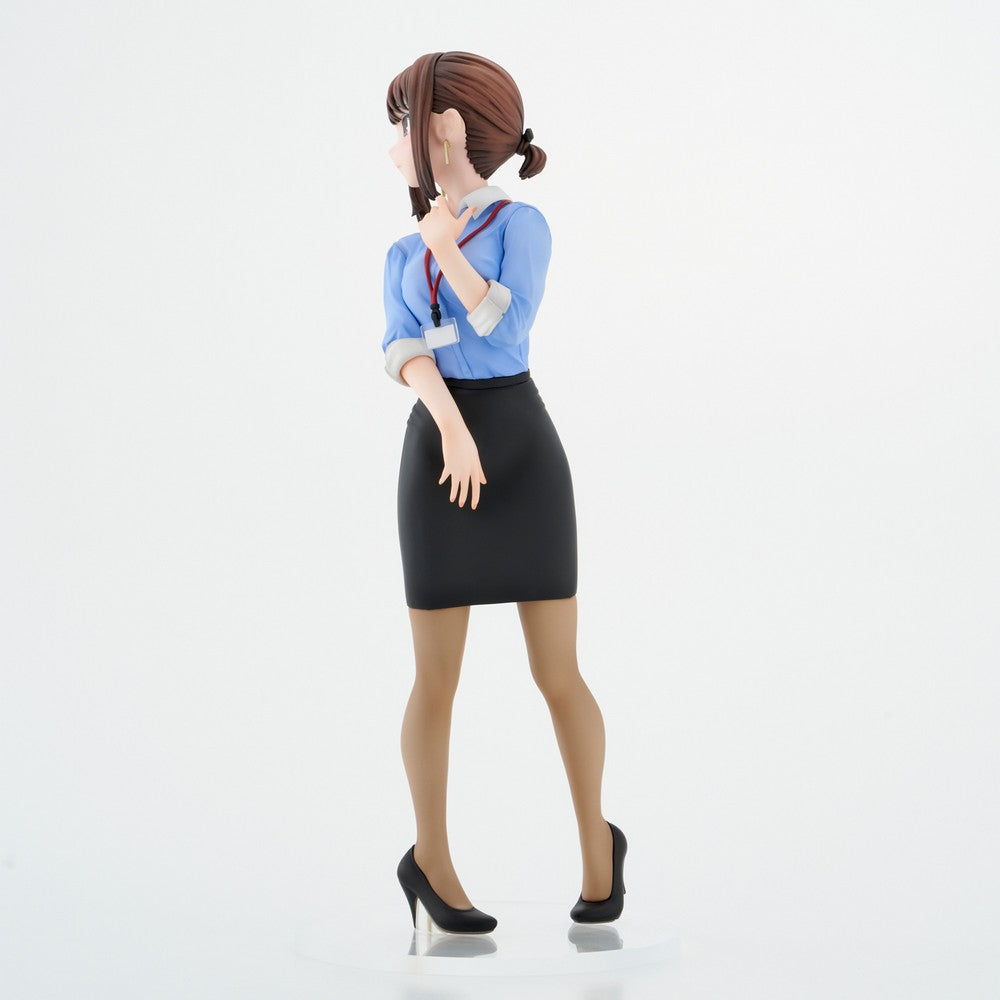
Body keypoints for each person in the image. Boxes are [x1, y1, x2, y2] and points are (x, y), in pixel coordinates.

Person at [383, 51, 627, 935]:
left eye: (405, 122)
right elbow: (401, 348)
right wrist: (450, 426)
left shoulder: (522, 226)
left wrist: (447, 246)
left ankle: (599, 850)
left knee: (556, 671)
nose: (395, 144)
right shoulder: (401, 251)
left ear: (446, 129)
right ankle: (431, 861)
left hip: (521, 447)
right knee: (435, 679)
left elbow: (504, 322)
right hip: (440, 449)